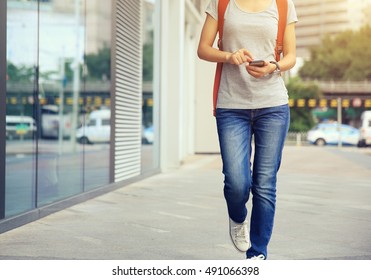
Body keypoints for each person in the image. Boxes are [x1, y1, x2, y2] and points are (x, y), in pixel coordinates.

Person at [197, 0, 298, 260]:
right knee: (236, 183)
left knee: (265, 184)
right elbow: (203, 49)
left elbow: (290, 57)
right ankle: (238, 216)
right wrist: (229, 56)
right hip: (231, 106)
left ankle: (258, 254)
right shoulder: (221, 4)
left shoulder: (283, 5)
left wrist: (274, 66)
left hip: (273, 105)